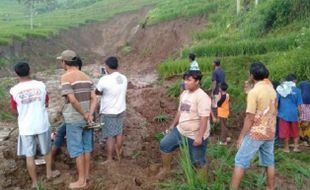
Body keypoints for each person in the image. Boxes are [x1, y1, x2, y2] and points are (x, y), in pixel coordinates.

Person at [9, 62, 59, 188]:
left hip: (26, 126)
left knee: (29, 155)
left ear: (16, 74)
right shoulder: (41, 85)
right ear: (30, 70)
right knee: (46, 151)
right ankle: (49, 174)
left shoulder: (14, 90)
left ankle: (35, 183)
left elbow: (14, 108)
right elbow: (46, 103)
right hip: (41, 123)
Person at [231, 62, 277, 190]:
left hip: (256, 133)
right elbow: (273, 110)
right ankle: (270, 187)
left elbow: (250, 117)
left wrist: (241, 136)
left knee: (240, 161)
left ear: (251, 75)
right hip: (270, 131)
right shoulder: (271, 88)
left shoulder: (254, 92)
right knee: (269, 161)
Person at [157, 70, 211, 178]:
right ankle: (166, 169)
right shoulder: (184, 93)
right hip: (180, 130)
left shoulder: (202, 96)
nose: (185, 82)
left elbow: (204, 118)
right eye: (185, 79)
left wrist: (199, 137)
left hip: (194, 134)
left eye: (189, 80)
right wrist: (172, 126)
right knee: (164, 144)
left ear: (197, 81)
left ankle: (201, 183)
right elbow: (180, 111)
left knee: (197, 161)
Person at [57, 50, 97, 189]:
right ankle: (86, 176)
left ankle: (81, 181)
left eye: (61, 61)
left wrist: (84, 114)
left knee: (77, 149)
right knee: (87, 148)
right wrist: (90, 114)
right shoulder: (86, 76)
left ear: (65, 62)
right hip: (87, 119)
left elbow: (72, 100)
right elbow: (94, 98)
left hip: (74, 119)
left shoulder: (65, 77)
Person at [96, 56, 127, 163]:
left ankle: (109, 158)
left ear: (107, 67)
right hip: (121, 110)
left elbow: (97, 92)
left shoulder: (104, 79)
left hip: (109, 111)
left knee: (110, 136)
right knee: (119, 132)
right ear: (117, 66)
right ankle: (119, 154)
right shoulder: (124, 78)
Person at [51, 57, 83, 164]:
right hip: (82, 114)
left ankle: (51, 158)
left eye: (62, 62)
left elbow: (71, 100)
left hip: (75, 116)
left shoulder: (67, 78)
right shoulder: (85, 78)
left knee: (61, 133)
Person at [276, 74, 303, 153]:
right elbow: (299, 105)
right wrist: (300, 114)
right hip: (294, 114)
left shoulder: (281, 89)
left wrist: (276, 111)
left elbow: (276, 102)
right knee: (295, 130)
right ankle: (295, 147)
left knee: (285, 131)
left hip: (283, 114)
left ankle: (286, 148)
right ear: (294, 80)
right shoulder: (297, 90)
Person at [298, 80, 310, 146]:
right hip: (309, 105)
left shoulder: (300, 84)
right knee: (307, 122)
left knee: (301, 122)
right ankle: (306, 139)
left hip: (302, 103)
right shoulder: (308, 85)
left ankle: (304, 140)